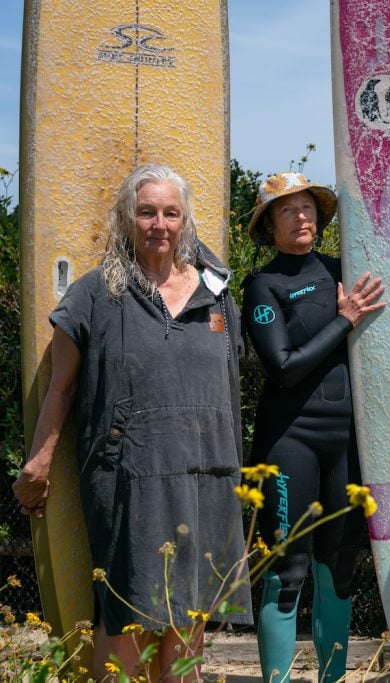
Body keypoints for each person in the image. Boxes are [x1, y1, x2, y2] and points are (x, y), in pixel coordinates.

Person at [12, 163, 253, 681]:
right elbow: (61, 386)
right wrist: (39, 460)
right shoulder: (95, 294)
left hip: (205, 475)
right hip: (129, 477)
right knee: (128, 617)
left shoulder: (218, 295)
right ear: (127, 219)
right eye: (146, 212)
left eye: (170, 212)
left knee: (188, 619)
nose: (158, 224)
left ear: (185, 221)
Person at [242, 172, 385, 683]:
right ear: (269, 225)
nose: (300, 217)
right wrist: (344, 320)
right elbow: (283, 365)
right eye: (286, 210)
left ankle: (333, 679)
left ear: (321, 218)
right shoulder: (263, 285)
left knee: (339, 572)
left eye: (307, 208)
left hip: (346, 441)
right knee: (287, 573)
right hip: (289, 442)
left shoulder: (345, 271)